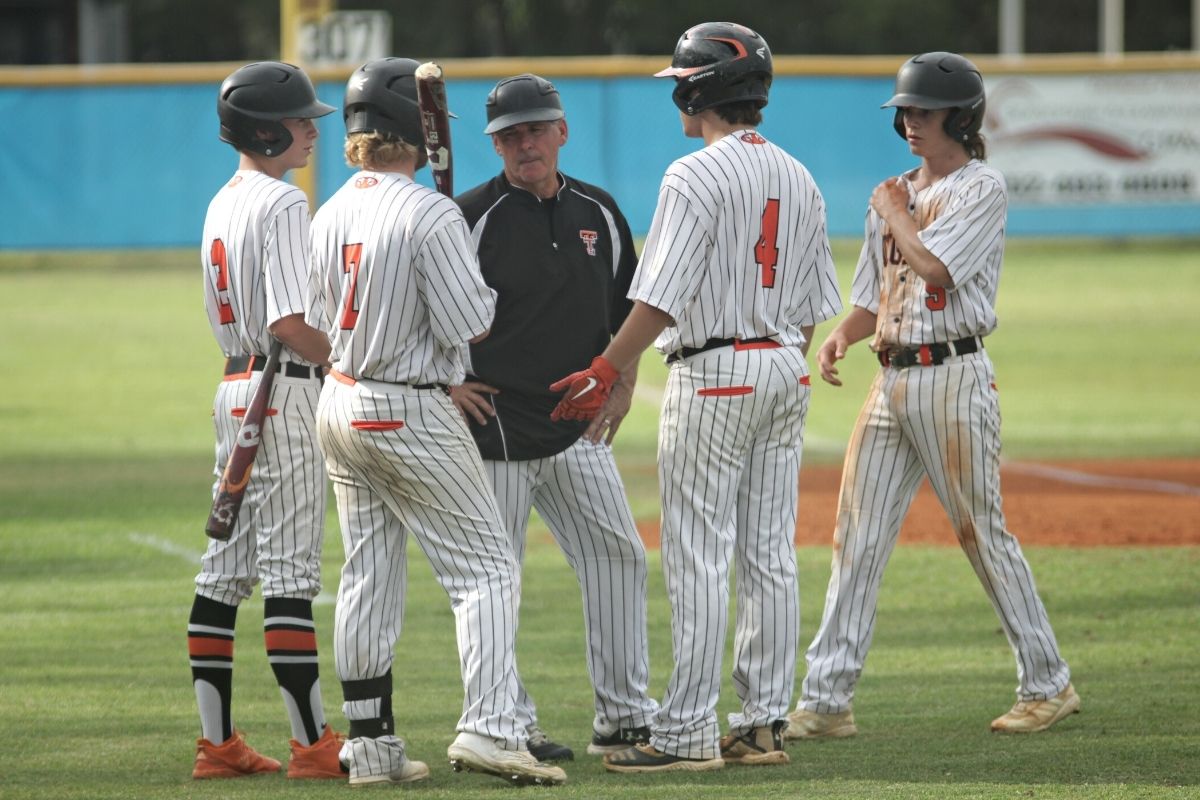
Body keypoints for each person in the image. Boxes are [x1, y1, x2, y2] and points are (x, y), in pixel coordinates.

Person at [549, 22, 843, 772]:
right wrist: (778, 360)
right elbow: (812, 305)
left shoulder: (693, 174)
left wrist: (608, 368)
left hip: (716, 373)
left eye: (681, 79)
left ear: (701, 88)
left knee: (698, 555)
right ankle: (764, 723)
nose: (674, 90)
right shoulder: (799, 175)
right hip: (784, 363)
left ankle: (683, 733)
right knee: (770, 553)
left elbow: (657, 300)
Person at [785, 52, 1079, 742]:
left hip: (953, 376)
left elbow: (937, 270)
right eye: (905, 112)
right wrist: (843, 336)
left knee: (980, 531)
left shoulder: (980, 188)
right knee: (855, 537)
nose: (911, 122)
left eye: (923, 110)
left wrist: (894, 212)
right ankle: (827, 701)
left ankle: (1048, 683)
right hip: (891, 378)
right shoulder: (893, 191)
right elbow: (875, 295)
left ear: (961, 116)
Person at [306, 57, 567, 787]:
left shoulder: (329, 209)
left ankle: (371, 746)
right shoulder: (428, 212)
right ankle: (488, 728)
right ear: (412, 130)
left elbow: (320, 319)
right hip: (407, 405)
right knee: (485, 569)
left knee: (368, 573)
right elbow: (469, 321)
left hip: (341, 398)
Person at [450, 73, 659, 762]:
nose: (523, 144)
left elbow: (627, 310)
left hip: (578, 426)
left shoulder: (598, 210)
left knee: (619, 557)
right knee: (495, 582)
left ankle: (625, 716)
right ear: (495, 145)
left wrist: (623, 382)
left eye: (535, 129)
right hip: (497, 430)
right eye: (509, 135)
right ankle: (510, 721)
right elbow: (425, 315)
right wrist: (448, 383)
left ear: (561, 131)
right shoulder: (469, 216)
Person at [190, 61, 343, 780]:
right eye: (300, 119)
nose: (312, 129)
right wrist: (348, 360)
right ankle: (313, 745)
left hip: (235, 386)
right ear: (265, 128)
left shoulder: (224, 197)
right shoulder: (282, 203)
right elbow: (290, 321)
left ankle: (217, 744)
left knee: (222, 571)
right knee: (288, 571)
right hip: (281, 390)